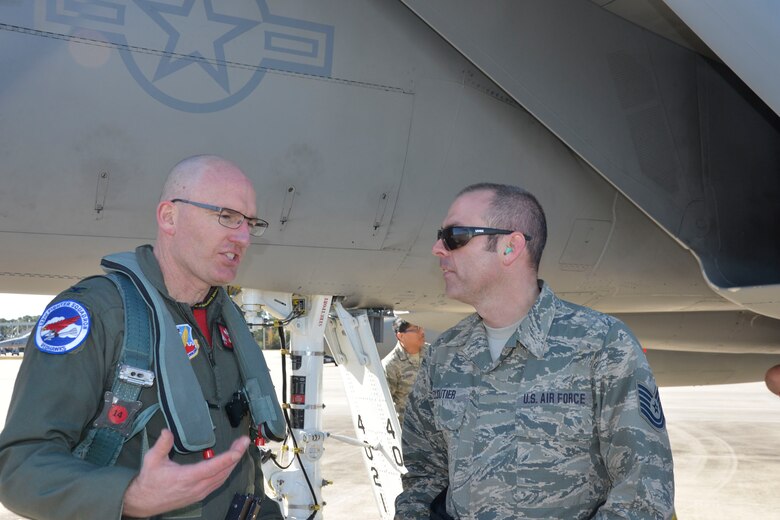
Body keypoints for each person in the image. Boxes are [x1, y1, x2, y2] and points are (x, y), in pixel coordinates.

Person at [0, 155, 284, 519]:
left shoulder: (228, 322)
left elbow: (242, 468)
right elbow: (19, 468)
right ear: (169, 217)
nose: (243, 237)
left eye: (250, 223)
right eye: (226, 217)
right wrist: (127, 496)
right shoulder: (100, 315)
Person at [395, 183, 675, 519]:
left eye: (455, 236)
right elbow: (424, 478)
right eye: (441, 236)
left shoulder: (602, 345)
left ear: (511, 248)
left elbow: (643, 493)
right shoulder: (444, 355)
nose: (438, 249)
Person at [383, 318, 427, 425]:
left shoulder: (431, 354)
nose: (422, 332)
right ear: (400, 336)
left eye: (421, 327)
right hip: (408, 429)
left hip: (431, 429)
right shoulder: (391, 365)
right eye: (416, 329)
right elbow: (385, 403)